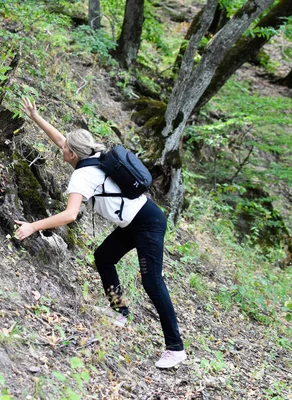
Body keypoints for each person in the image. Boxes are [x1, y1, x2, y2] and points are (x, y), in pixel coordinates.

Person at [15, 97, 187, 369]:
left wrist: (33, 226)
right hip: (134, 220)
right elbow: (61, 140)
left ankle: (175, 348)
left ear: (73, 154)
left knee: (152, 281)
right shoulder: (94, 156)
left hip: (147, 222)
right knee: (104, 257)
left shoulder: (81, 177)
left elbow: (70, 215)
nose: (62, 150)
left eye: (65, 150)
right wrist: (36, 117)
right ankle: (120, 312)